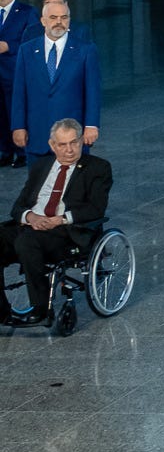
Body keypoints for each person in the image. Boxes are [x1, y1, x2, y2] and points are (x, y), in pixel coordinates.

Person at [0, 120, 112, 328]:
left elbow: (96, 208)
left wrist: (60, 219)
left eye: (74, 143)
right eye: (62, 145)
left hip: (65, 232)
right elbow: (18, 206)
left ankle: (41, 310)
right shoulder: (41, 166)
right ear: (52, 145)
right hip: (32, 225)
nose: (69, 150)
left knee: (27, 242)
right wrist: (30, 217)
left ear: (81, 142)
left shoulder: (98, 168)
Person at [9, 0, 101, 160]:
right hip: (36, 134)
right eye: (53, 17)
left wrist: (91, 125)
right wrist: (18, 126)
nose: (59, 22)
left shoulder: (85, 50)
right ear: (43, 21)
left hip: (72, 136)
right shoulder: (27, 50)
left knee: (73, 185)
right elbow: (19, 92)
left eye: (64, 17)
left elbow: (93, 91)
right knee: (38, 184)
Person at [0, 0, 32, 167]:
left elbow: (31, 41)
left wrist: (8, 46)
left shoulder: (27, 13)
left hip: (13, 73)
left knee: (16, 112)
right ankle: (5, 150)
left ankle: (21, 152)